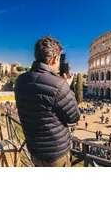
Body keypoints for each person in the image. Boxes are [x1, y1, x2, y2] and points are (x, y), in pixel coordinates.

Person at [14, 35, 80, 167]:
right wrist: (67, 85)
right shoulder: (59, 85)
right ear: (55, 59)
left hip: (34, 149)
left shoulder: (20, 80)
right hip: (55, 154)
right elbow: (74, 117)